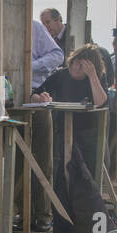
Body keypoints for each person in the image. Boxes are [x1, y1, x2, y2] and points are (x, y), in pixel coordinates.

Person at [0, 1, 64, 230]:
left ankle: (42, 215)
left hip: (34, 99)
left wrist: (28, 66)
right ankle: (19, 213)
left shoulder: (34, 28)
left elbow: (57, 55)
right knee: (13, 161)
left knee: (40, 158)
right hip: (5, 103)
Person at [33, 43, 108, 171]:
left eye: (82, 66)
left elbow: (100, 101)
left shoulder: (96, 78)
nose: (76, 68)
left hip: (88, 134)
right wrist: (40, 99)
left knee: (88, 172)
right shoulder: (61, 75)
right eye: (75, 63)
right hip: (63, 131)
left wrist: (92, 76)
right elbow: (34, 94)